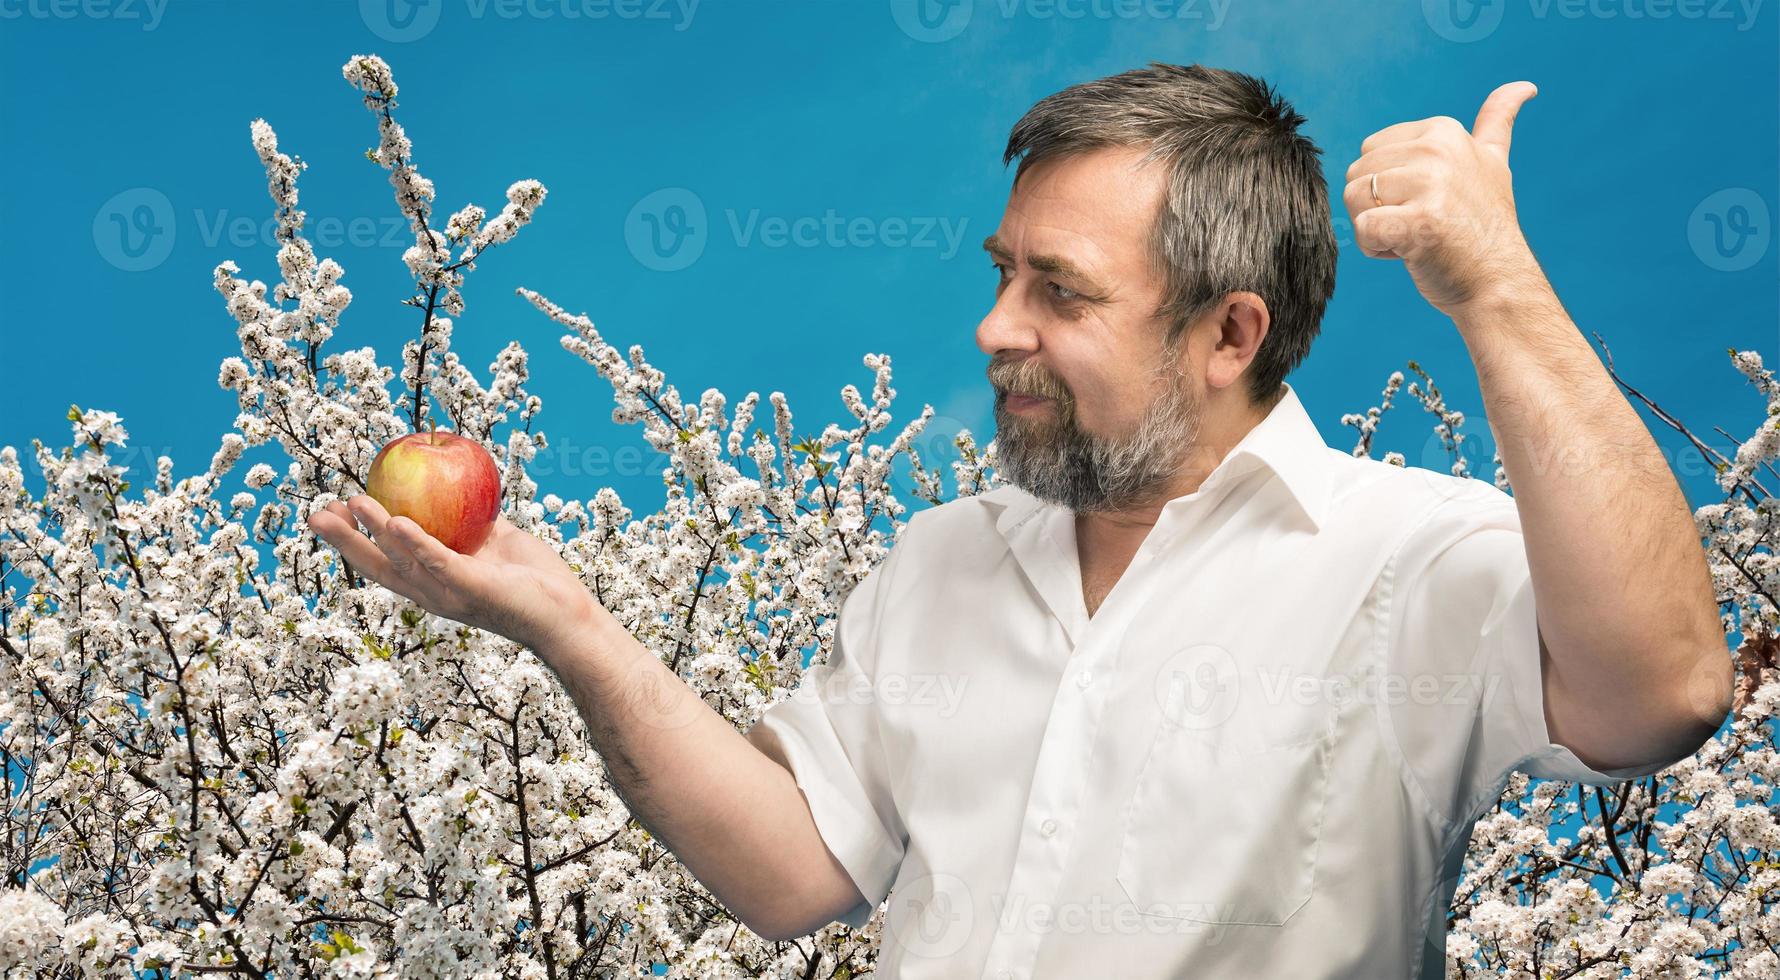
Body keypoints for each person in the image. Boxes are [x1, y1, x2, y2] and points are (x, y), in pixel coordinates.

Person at [309, 63, 1732, 979]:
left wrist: (1499, 290)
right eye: (1004, 273)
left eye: (1062, 291)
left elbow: (1663, 695)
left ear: (1230, 333)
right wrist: (566, 625)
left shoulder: (1414, 561)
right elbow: (792, 875)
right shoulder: (942, 567)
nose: (997, 328)